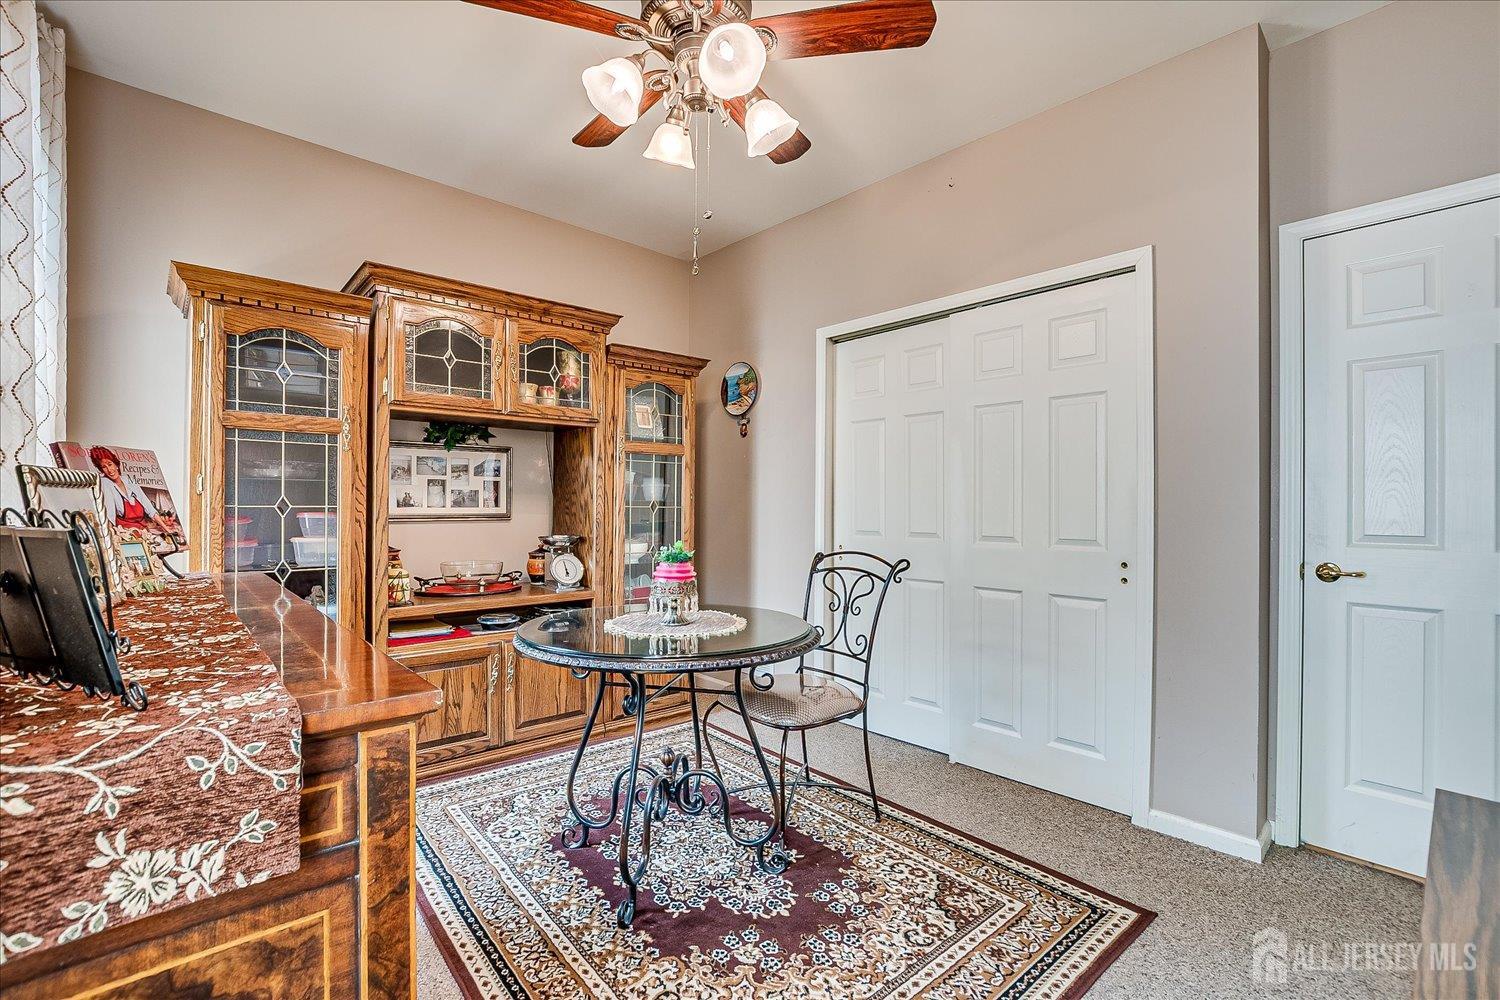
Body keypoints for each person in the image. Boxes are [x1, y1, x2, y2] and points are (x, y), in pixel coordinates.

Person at [89, 446, 173, 539]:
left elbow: (149, 508)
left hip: (143, 530)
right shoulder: (106, 483)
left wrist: (166, 529)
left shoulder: (129, 480)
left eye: (110, 464)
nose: (109, 470)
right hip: (125, 533)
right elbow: (110, 513)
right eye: (104, 467)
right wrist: (110, 537)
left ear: (116, 464)